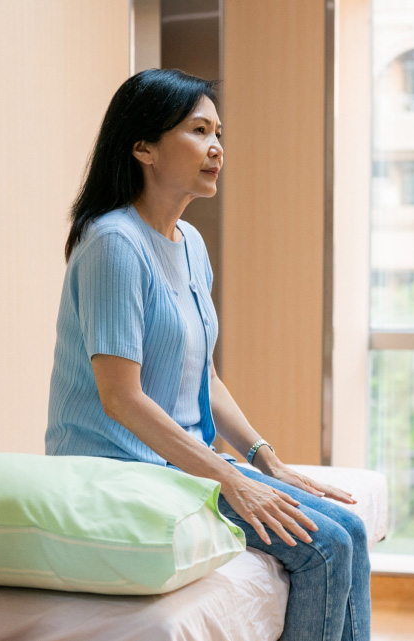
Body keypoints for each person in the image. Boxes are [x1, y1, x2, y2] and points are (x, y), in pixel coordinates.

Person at [45, 68, 371, 641]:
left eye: (219, 133)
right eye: (198, 130)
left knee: (351, 530)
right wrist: (230, 478)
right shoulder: (114, 244)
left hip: (180, 464)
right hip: (122, 471)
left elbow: (206, 376)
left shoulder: (189, 243)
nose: (216, 147)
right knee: (322, 550)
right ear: (143, 146)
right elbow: (121, 399)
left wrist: (266, 461)